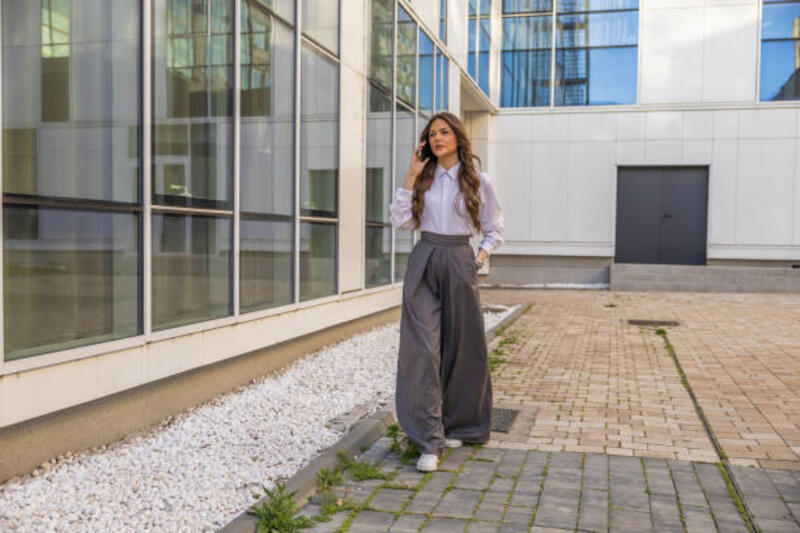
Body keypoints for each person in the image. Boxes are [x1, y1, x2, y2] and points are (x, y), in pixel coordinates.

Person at [389, 112, 505, 472]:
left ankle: (461, 424)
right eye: (432, 134)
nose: (438, 138)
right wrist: (410, 175)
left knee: (462, 347)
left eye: (444, 132)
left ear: (457, 137)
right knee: (422, 348)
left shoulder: (477, 181)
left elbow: (495, 227)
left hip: (459, 259)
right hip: (425, 259)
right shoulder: (422, 181)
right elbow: (401, 221)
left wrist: (479, 258)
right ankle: (428, 439)